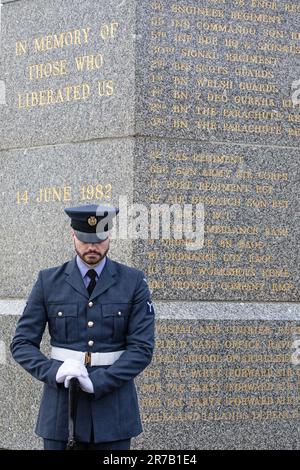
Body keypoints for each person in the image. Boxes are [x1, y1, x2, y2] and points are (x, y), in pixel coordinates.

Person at [11, 204, 155, 450]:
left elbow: (141, 348)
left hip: (114, 413)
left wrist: (100, 381)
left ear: (109, 236)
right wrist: (53, 372)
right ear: (73, 235)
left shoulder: (133, 282)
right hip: (61, 411)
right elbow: (22, 343)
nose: (92, 247)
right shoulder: (48, 281)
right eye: (85, 240)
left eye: (98, 240)